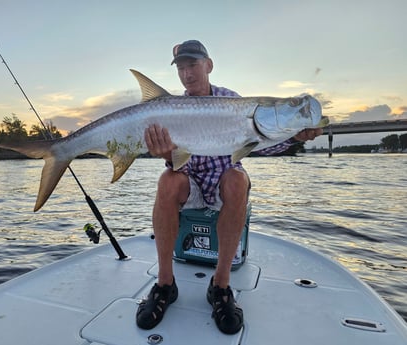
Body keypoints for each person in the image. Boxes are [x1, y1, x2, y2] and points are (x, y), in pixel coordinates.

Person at [136, 40, 322, 334]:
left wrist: (295, 138)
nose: (187, 74)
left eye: (193, 65)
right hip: (192, 185)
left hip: (223, 184)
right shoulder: (172, 108)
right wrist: (166, 155)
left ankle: (220, 286)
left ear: (208, 65)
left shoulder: (233, 102)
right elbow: (176, 165)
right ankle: (165, 284)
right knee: (167, 180)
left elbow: (258, 146)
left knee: (237, 179)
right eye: (181, 68)